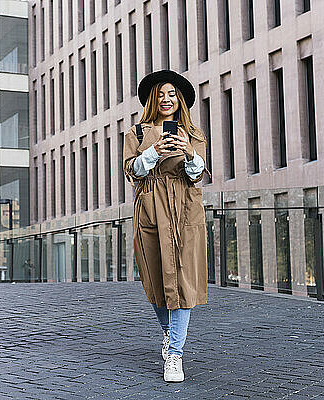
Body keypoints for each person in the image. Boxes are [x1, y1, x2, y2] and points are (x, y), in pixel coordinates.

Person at [122, 69, 211, 383]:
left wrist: (188, 153)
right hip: (150, 206)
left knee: (183, 281)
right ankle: (168, 331)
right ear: (151, 99)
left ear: (180, 99)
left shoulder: (193, 133)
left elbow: (197, 173)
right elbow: (131, 170)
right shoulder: (136, 132)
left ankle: (175, 354)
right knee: (156, 279)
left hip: (185, 208)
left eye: (172, 94)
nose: (166, 99)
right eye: (160, 94)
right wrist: (152, 152)